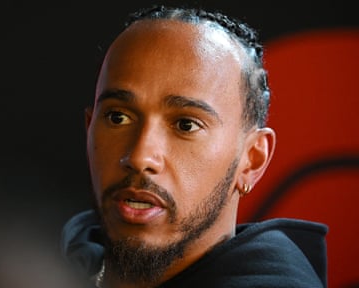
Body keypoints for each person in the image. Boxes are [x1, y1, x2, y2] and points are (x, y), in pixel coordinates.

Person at [60, 4, 328, 288]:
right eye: (118, 117)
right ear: (90, 127)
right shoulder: (52, 262)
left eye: (186, 125)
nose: (140, 157)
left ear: (252, 160)